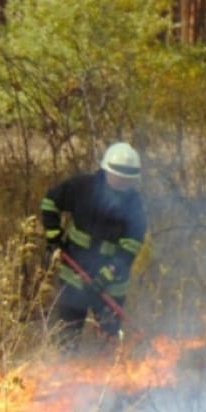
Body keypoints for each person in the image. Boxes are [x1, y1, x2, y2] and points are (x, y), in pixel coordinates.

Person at [40, 142, 147, 350]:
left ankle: (109, 377)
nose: (124, 183)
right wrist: (54, 238)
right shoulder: (82, 188)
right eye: (120, 178)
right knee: (67, 338)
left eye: (129, 180)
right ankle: (66, 374)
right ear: (107, 171)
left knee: (109, 341)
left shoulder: (135, 205)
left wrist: (105, 277)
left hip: (111, 285)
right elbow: (49, 203)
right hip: (74, 276)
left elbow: (130, 248)